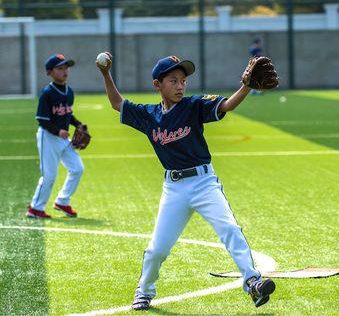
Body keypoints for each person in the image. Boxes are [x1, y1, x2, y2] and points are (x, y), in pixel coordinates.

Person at [96, 53, 276, 311]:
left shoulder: (194, 106)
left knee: (230, 229)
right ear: (158, 85)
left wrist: (246, 86)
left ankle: (253, 282)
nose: (180, 86)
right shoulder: (149, 116)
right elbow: (117, 104)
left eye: (183, 80)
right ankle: (144, 291)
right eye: (173, 80)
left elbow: (226, 106)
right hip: (174, 189)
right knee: (158, 248)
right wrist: (105, 74)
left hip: (204, 183)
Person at [27, 54, 85, 219]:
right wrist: (58, 131)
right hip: (48, 137)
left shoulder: (69, 92)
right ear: (50, 72)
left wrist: (78, 124)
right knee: (49, 175)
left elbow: (68, 114)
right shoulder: (47, 93)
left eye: (66, 67)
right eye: (60, 68)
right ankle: (35, 208)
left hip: (62, 138)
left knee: (77, 168)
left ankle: (62, 201)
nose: (65, 71)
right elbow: (42, 120)